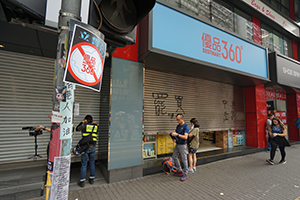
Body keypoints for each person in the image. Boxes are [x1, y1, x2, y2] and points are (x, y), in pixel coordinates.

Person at [76, 115, 98, 187]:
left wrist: (82, 122)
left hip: (85, 147)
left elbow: (77, 129)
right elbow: (96, 132)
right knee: (92, 162)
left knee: (84, 164)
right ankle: (92, 179)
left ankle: (82, 181)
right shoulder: (95, 126)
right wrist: (94, 124)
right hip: (93, 147)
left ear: (85, 120)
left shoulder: (84, 126)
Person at [170, 114, 189, 181]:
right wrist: (174, 138)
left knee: (184, 159)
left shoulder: (185, 127)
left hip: (182, 145)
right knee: (174, 157)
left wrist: (177, 134)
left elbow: (186, 137)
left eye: (178, 119)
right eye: (177, 119)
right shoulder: (178, 126)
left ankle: (185, 174)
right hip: (178, 144)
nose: (177, 121)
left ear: (182, 119)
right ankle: (180, 170)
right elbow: (177, 135)